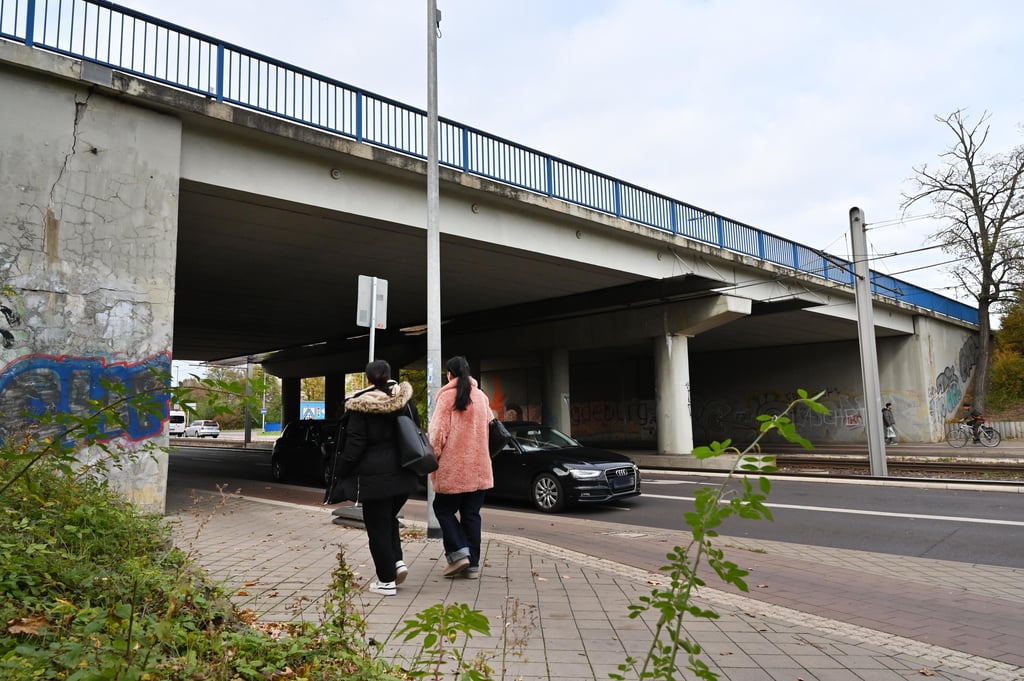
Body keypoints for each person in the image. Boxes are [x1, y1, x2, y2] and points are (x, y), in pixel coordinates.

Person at [334, 360, 419, 596]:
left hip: (375, 480)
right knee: (389, 519)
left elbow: (355, 443)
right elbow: (415, 431)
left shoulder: (361, 405)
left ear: (368, 379)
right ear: (389, 375)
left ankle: (386, 581)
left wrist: (341, 469)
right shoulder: (405, 402)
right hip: (404, 474)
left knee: (378, 528)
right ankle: (397, 563)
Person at [428, 356, 494, 579]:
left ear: (450, 374)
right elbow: (491, 427)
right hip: (479, 468)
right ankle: (473, 565)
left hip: (453, 469)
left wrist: (432, 459)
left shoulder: (447, 398)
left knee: (443, 509)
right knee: (471, 514)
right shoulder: (482, 397)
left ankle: (458, 553)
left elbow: (437, 435)